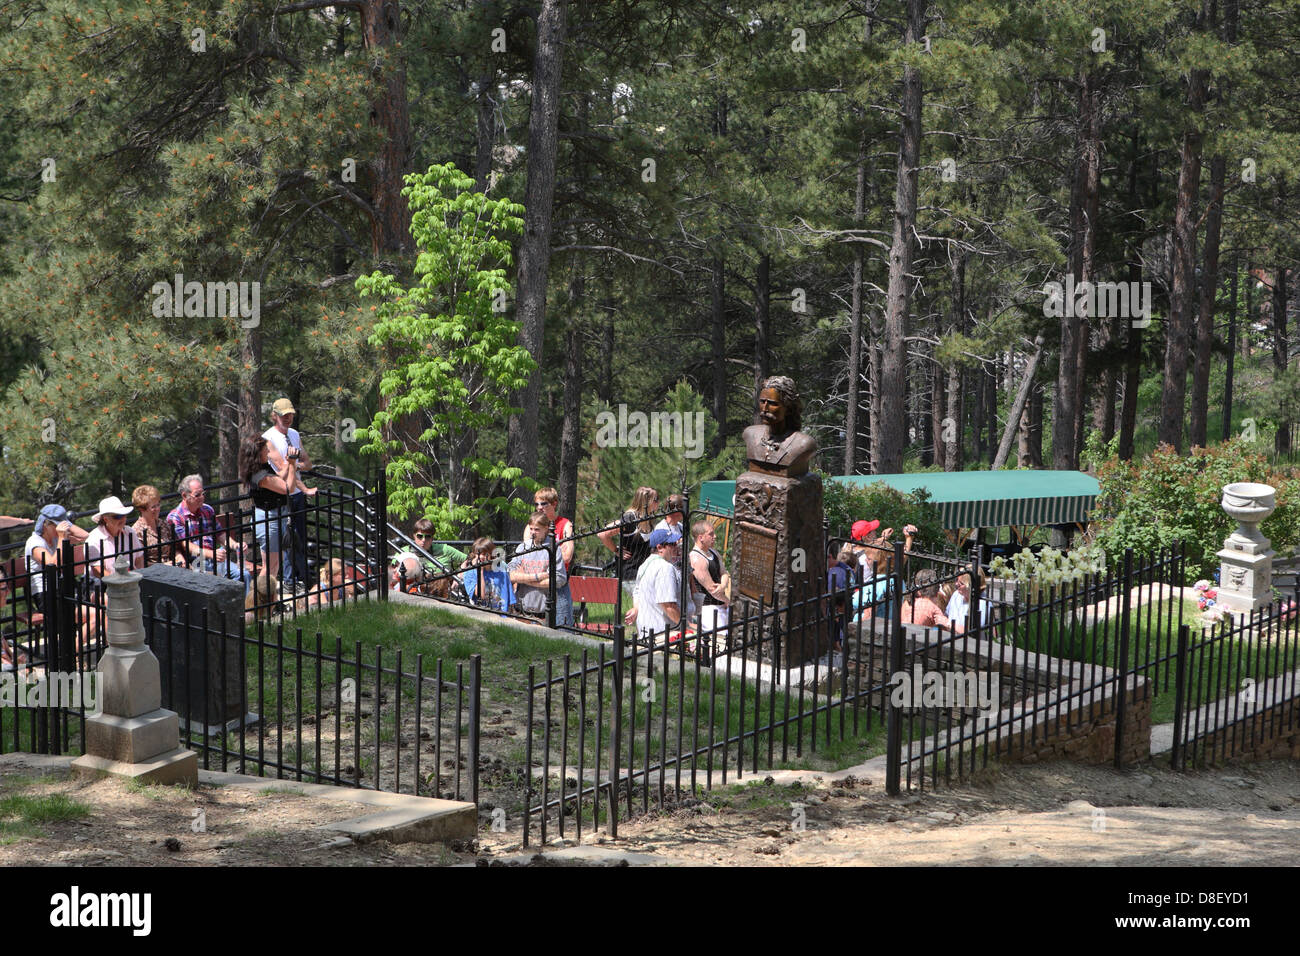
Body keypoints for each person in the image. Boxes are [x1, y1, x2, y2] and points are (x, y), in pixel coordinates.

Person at [262, 398, 317, 593]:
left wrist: (295, 464)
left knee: (299, 538)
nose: (288, 418)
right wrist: (302, 484)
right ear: (274, 416)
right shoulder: (268, 438)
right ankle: (288, 581)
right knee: (286, 539)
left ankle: (301, 578)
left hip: (296, 495)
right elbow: (282, 471)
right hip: (282, 494)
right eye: (284, 415)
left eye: (290, 415)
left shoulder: (294, 434)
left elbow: (306, 463)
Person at [166, 475, 250, 592]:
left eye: (203, 493)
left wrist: (235, 545)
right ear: (184, 495)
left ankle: (242, 610)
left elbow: (220, 534)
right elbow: (187, 546)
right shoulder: (175, 517)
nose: (202, 497)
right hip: (195, 563)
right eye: (197, 495)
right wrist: (212, 554)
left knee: (243, 575)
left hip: (216, 560)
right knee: (213, 584)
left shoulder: (207, 510)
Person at [240, 434, 297, 583]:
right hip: (269, 520)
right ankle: (258, 601)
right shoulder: (260, 475)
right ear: (257, 452)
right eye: (265, 449)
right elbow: (288, 488)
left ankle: (265, 601)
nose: (268, 452)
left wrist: (287, 466)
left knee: (273, 564)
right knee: (270, 567)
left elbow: (277, 478)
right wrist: (292, 464)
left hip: (274, 517)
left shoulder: (261, 468)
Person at [742, 376, 818, 478]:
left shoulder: (803, 444)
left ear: (788, 408)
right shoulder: (750, 434)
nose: (764, 409)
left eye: (772, 404)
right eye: (762, 401)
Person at [626, 526, 688, 643]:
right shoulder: (665, 568)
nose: (676, 547)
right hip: (663, 635)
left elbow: (637, 591)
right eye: (672, 544)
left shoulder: (644, 565)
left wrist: (636, 608)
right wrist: (685, 626)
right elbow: (667, 604)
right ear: (660, 547)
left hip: (646, 632)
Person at [507, 514, 567, 620]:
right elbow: (509, 575)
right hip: (521, 609)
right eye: (531, 529)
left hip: (544, 612)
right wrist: (538, 577)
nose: (533, 533)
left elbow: (559, 579)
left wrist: (522, 578)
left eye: (537, 529)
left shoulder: (553, 549)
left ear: (546, 528)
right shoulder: (523, 547)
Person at [23, 504, 89, 599]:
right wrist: (62, 537)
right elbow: (52, 565)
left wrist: (66, 524)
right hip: (44, 593)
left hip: (60, 588)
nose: (61, 529)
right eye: (57, 525)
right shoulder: (34, 542)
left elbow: (84, 536)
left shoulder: (55, 538)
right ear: (45, 524)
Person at [597, 486, 658, 588]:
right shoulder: (630, 517)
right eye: (656, 499)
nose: (658, 502)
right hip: (630, 573)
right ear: (645, 501)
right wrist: (616, 550)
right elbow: (602, 534)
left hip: (645, 572)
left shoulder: (648, 517)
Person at [533, 487, 575, 628]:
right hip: (536, 581)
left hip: (558, 582)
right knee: (535, 627)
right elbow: (528, 555)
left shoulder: (565, 524)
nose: (539, 508)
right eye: (537, 504)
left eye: (544, 504)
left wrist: (541, 553)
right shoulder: (532, 526)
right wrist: (556, 552)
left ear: (554, 504)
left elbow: (568, 556)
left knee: (563, 627)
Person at [84, 496, 144, 582]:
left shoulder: (129, 532)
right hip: (104, 584)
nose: (123, 519)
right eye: (118, 516)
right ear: (106, 519)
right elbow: (97, 570)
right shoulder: (94, 539)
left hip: (131, 581)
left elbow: (139, 558)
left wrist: (137, 578)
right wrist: (118, 583)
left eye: (124, 514)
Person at [688, 520, 729, 637]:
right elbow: (712, 590)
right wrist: (728, 601)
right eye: (711, 534)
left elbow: (724, 573)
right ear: (701, 537)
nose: (714, 537)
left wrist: (722, 585)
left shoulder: (713, 552)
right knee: (720, 640)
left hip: (721, 604)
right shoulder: (696, 558)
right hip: (708, 608)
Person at [131, 485, 185, 567]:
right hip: (152, 573)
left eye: (158, 505)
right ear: (142, 509)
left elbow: (175, 548)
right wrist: (163, 566)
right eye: (153, 507)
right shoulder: (136, 532)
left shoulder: (164, 524)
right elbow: (138, 563)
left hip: (174, 566)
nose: (158, 509)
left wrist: (179, 557)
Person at [901, 568, 963, 632]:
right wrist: (947, 623)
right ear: (937, 593)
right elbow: (952, 632)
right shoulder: (934, 609)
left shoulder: (907, 602)